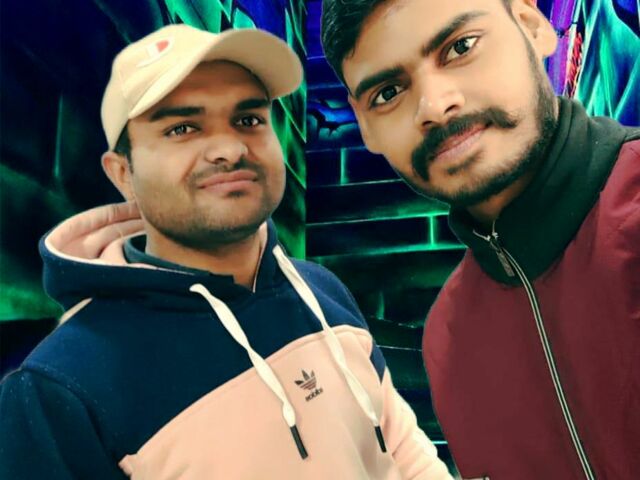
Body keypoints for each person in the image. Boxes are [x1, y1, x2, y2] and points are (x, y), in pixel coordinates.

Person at [0, 24, 453, 480]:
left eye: (248, 120)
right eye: (182, 128)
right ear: (122, 174)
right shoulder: (60, 386)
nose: (230, 149)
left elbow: (401, 447)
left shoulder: (321, 289)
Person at [320, 0, 640, 479]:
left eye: (460, 47)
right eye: (388, 92)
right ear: (364, 125)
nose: (433, 106)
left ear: (532, 26)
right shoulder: (448, 342)